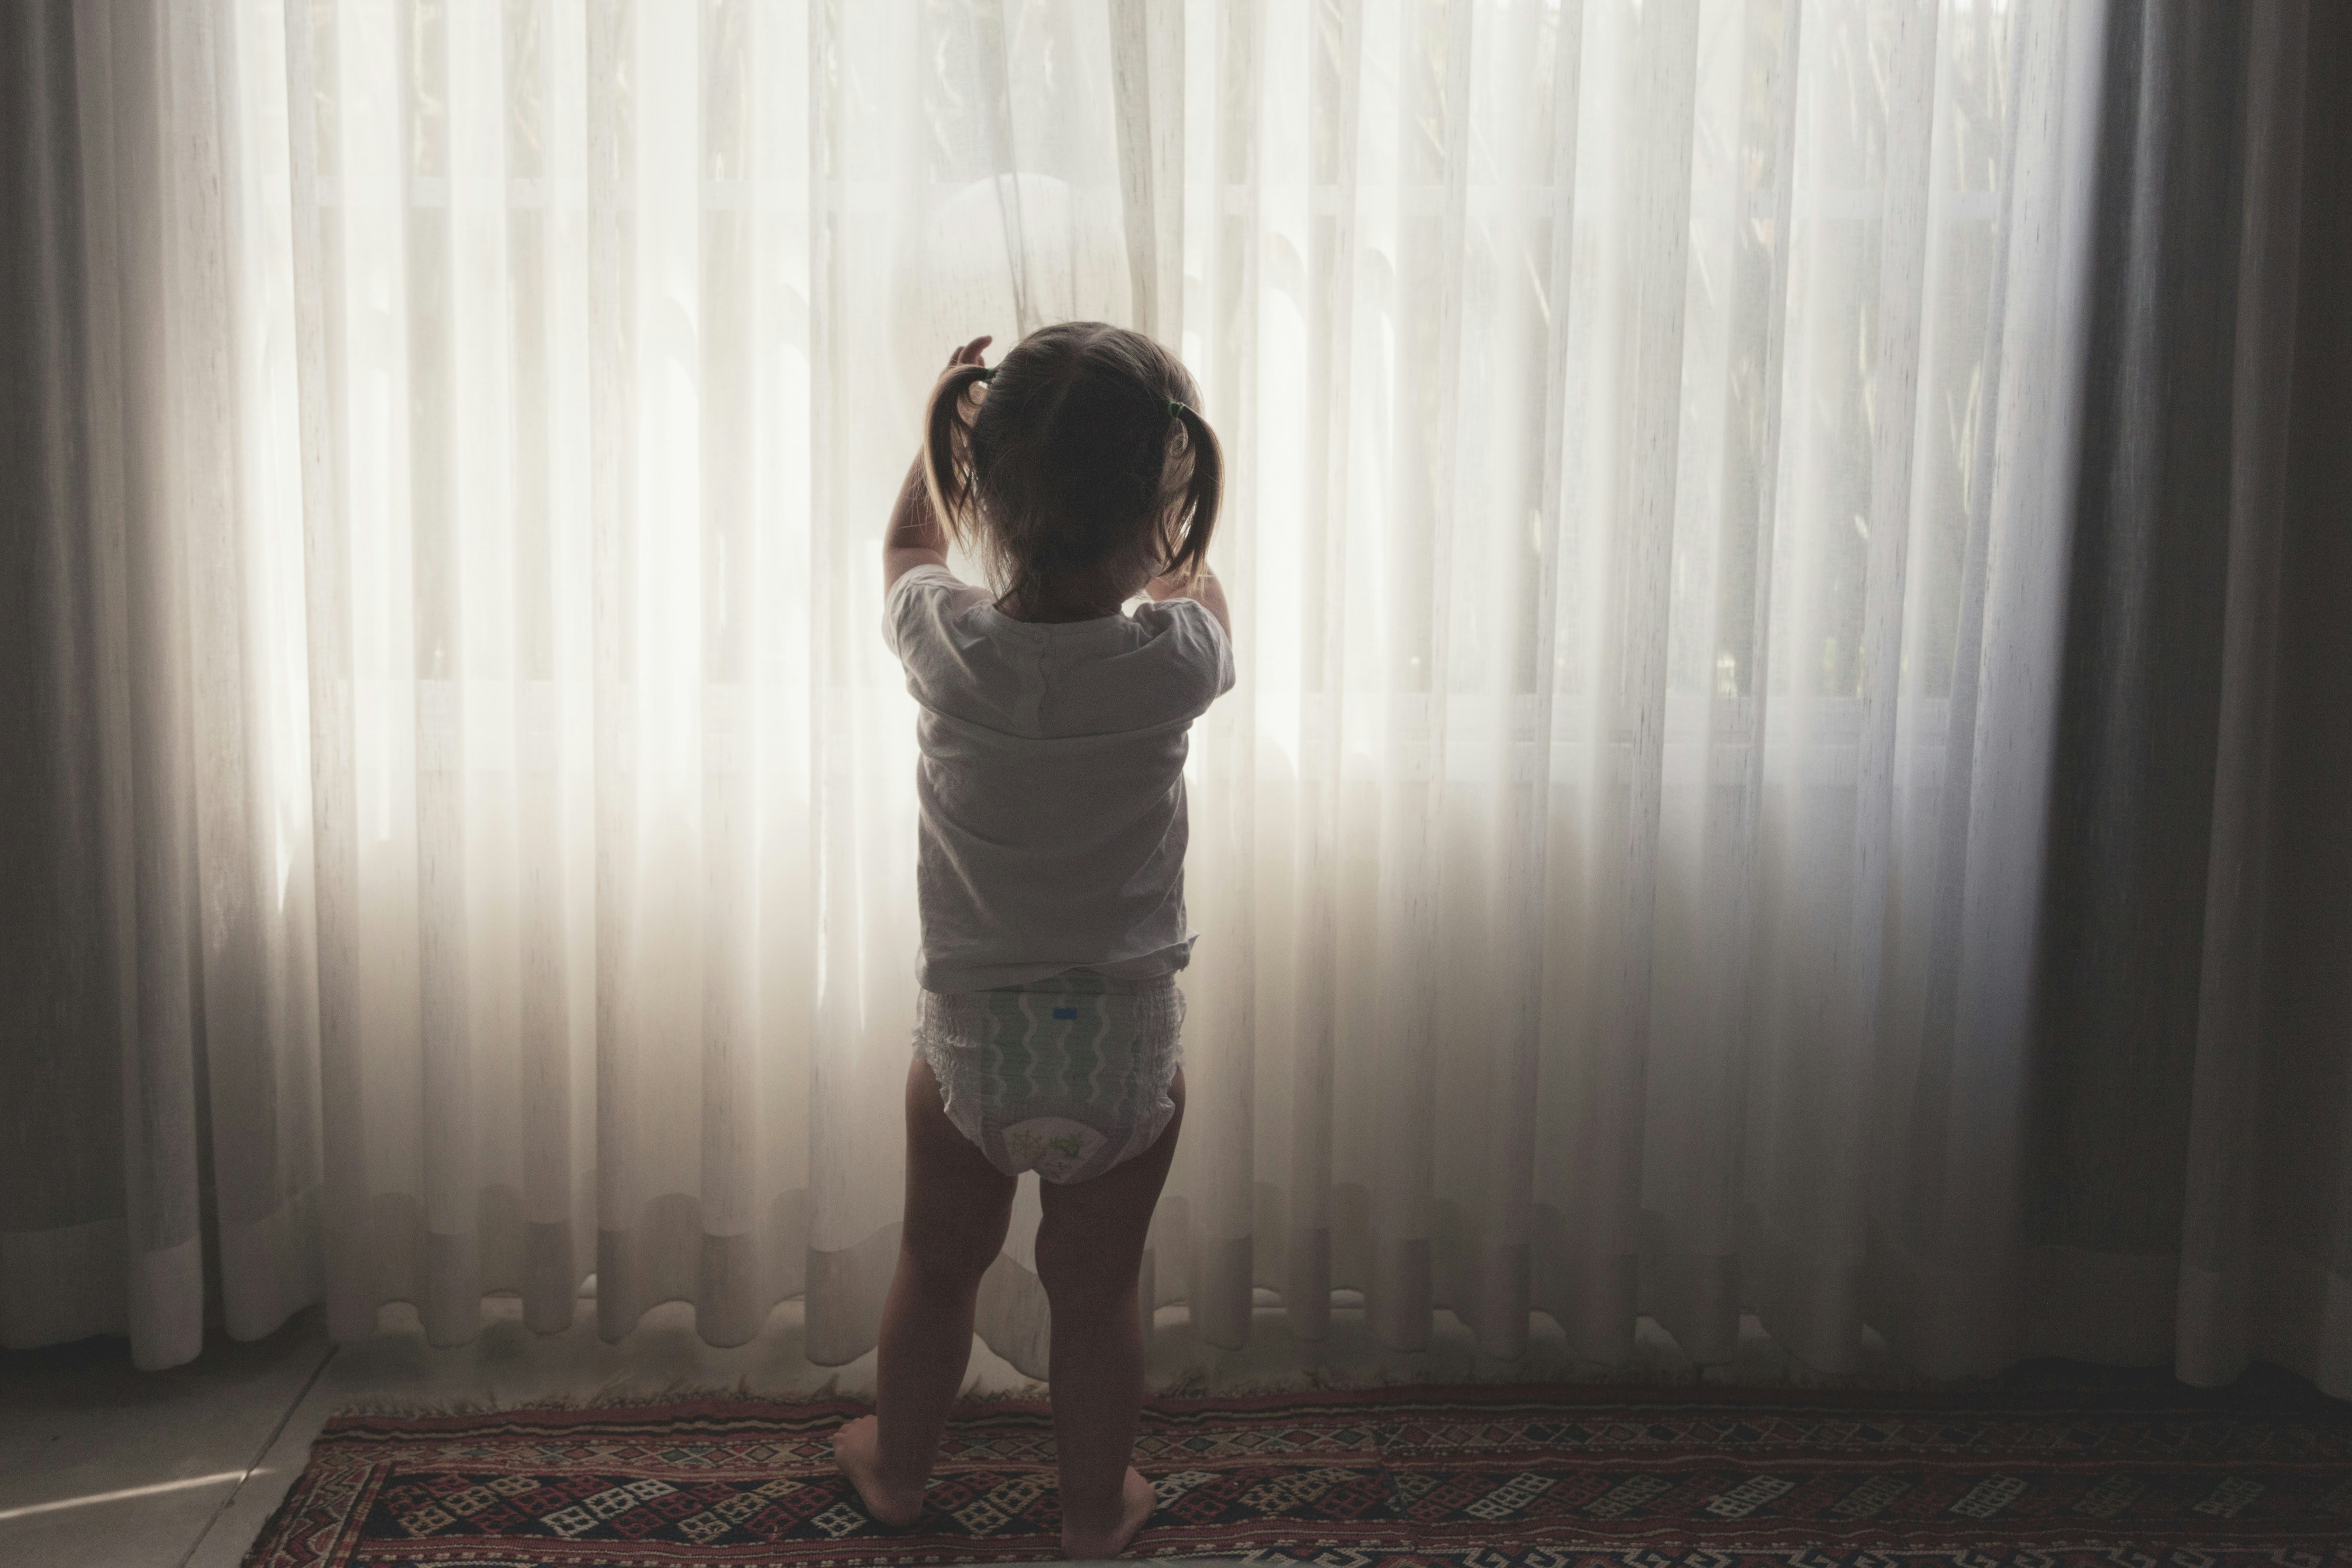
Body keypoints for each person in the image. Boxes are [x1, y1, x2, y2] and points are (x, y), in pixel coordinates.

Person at [832, 323, 1235, 1560]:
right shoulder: (1174, 661)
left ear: (985, 495)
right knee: (1096, 1293)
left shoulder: (947, 645)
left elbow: (907, 551)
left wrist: (936, 448)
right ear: (1161, 515)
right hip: (1122, 1052)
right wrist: (1177, 535)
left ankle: (898, 1472)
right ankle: (1090, 1509)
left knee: (937, 1264)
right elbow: (1200, 592)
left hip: (977, 1050)